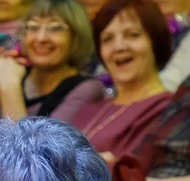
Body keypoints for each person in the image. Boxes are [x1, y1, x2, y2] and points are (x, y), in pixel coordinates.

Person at [0, 0, 103, 167]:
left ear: (77, 36)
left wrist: (10, 86)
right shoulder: (6, 71)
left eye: (55, 28)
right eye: (33, 27)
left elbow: (34, 164)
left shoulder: (86, 89)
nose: (41, 38)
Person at [70, 0, 172, 162]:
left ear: (156, 41)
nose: (118, 47)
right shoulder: (88, 109)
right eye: (107, 39)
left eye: (132, 35)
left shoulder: (169, 110)